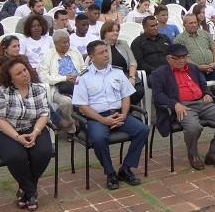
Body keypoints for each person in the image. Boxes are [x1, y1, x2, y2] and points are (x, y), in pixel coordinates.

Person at [72, 40, 150, 190]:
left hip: (118, 114)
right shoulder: (83, 77)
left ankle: (125, 169)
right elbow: (82, 106)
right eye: (101, 53)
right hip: (96, 118)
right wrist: (103, 120)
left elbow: (126, 96)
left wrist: (124, 114)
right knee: (99, 138)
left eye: (106, 51)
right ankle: (110, 173)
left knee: (143, 129)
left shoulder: (117, 72)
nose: (106, 55)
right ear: (91, 57)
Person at [151, 43, 215, 170]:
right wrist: (175, 104)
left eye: (184, 57)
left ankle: (213, 152)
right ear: (168, 58)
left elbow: (203, 83)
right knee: (193, 127)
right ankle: (193, 154)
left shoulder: (192, 68)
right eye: (177, 58)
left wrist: (207, 93)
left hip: (202, 102)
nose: (182, 60)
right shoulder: (159, 73)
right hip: (183, 106)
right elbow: (158, 95)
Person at [0, 57, 53, 211]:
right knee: (16, 156)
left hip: (33, 128)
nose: (25, 74)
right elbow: (0, 120)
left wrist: (35, 132)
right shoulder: (2, 92)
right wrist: (18, 137)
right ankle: (31, 192)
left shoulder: (38, 89)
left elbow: (44, 114)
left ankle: (24, 190)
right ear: (10, 79)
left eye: (25, 70)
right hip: (7, 131)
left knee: (44, 152)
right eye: (19, 73)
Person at [37, 30, 83, 138]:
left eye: (68, 42)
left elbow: (83, 67)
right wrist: (64, 78)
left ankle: (83, 124)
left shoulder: (74, 52)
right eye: (64, 42)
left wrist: (78, 76)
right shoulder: (49, 55)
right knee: (67, 102)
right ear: (55, 43)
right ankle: (71, 129)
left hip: (78, 84)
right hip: (57, 87)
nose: (67, 45)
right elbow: (43, 77)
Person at [175, 13, 215, 99]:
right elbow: (183, 58)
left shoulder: (204, 34)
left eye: (195, 22)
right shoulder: (179, 39)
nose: (194, 25)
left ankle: (214, 101)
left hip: (212, 66)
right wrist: (199, 67)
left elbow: (214, 48)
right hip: (194, 69)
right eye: (191, 23)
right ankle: (205, 104)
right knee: (201, 83)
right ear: (184, 25)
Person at [100, 21, 144, 105]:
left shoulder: (123, 44)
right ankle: (123, 111)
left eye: (117, 30)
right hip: (109, 76)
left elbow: (132, 62)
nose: (115, 33)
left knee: (139, 90)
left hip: (126, 75)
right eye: (112, 31)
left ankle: (126, 111)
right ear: (104, 33)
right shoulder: (100, 46)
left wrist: (132, 77)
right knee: (118, 91)